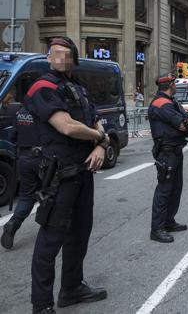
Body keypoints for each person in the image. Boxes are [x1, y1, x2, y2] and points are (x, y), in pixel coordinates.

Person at [26, 37, 108, 314]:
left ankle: (72, 288)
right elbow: (67, 127)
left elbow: (95, 119)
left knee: (80, 233)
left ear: (74, 59)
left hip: (84, 171)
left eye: (67, 54)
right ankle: (42, 304)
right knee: (51, 240)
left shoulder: (77, 87)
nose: (61, 58)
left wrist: (101, 145)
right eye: (56, 53)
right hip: (59, 174)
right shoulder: (43, 87)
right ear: (48, 57)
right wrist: (99, 137)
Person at [148, 74, 188, 243]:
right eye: (175, 83)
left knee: (175, 188)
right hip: (166, 152)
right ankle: (157, 228)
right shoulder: (161, 104)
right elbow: (183, 124)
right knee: (165, 189)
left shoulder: (172, 101)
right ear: (170, 85)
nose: (176, 85)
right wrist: (187, 121)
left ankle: (169, 221)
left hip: (175, 150)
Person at [1, 104, 42, 250]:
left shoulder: (20, 113)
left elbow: (13, 136)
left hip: (24, 158)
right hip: (43, 158)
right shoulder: (45, 109)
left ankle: (13, 223)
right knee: (52, 192)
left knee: (26, 196)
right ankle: (51, 227)